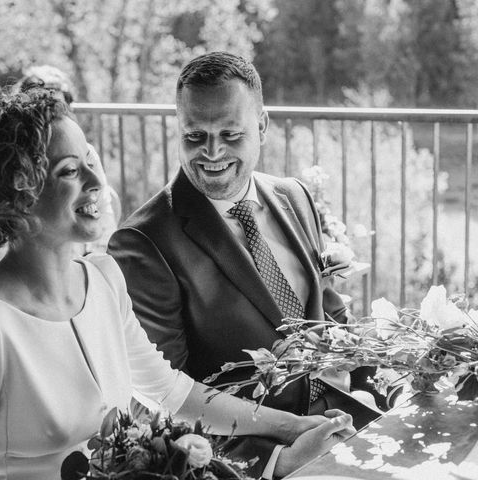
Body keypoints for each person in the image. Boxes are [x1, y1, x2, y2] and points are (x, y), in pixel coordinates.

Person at [0, 88, 355, 480]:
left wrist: (293, 428)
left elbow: (173, 393)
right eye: (69, 171)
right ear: (15, 197)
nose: (96, 182)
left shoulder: (103, 279)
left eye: (91, 160)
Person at [107, 51, 382, 479]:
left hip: (343, 420)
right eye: (194, 135)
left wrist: (382, 383)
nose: (212, 152)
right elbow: (168, 396)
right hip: (252, 459)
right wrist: (277, 461)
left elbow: (330, 312)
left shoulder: (294, 196)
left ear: (262, 126)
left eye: (231, 134)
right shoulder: (143, 243)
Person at [16, 65, 121, 255]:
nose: (56, 118)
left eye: (61, 109)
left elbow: (105, 212)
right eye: (44, 112)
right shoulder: (19, 161)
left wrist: (100, 260)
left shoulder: (87, 152)